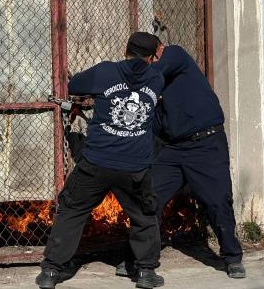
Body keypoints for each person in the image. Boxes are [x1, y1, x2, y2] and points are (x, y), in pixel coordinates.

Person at [36, 32, 166, 289]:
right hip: (135, 166)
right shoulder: (157, 78)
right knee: (144, 215)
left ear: (125, 49)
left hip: (97, 161)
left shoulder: (107, 72)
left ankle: (51, 271)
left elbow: (75, 86)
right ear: (152, 58)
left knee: (72, 210)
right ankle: (145, 272)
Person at [116, 44, 246, 279]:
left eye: (142, 59)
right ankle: (140, 259)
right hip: (173, 150)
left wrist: (126, 78)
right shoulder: (151, 88)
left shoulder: (174, 54)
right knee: (148, 199)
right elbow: (151, 122)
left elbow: (155, 72)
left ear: (156, 52)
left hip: (206, 144)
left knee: (217, 201)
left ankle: (232, 257)